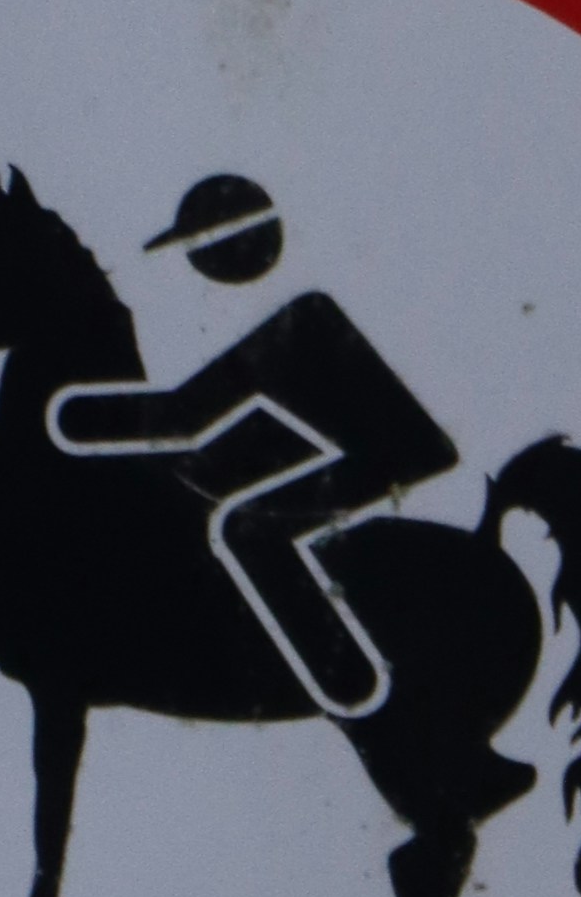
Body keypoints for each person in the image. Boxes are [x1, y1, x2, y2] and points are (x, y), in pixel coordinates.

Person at [45, 174, 458, 720]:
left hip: (394, 449)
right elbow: (193, 414)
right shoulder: (297, 324)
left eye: (204, 246)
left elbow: (185, 413)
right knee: (214, 486)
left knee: (247, 527)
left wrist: (77, 421)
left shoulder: (301, 331)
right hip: (344, 436)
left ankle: (346, 677)